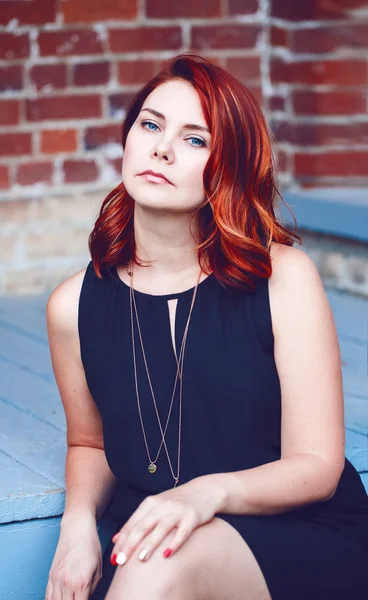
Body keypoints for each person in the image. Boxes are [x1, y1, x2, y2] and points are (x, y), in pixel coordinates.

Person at [45, 53, 368, 600]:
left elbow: (316, 466)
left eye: (195, 139)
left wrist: (202, 495)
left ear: (230, 166)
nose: (162, 148)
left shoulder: (282, 279)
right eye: (150, 125)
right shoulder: (71, 305)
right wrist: (76, 524)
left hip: (292, 532)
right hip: (156, 526)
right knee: (152, 561)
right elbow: (89, 442)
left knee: (154, 566)